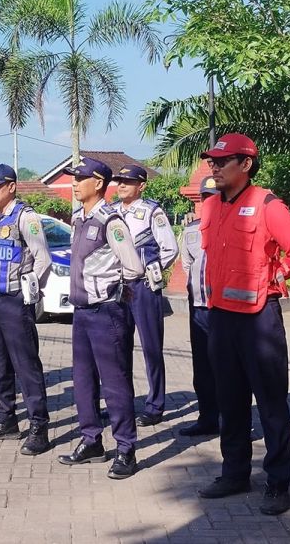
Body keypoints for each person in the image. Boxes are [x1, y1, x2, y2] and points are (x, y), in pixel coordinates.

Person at [196, 133, 290, 516]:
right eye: (212, 161)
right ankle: (235, 474)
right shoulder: (210, 206)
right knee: (230, 401)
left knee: (272, 404)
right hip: (221, 318)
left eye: (222, 161)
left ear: (245, 164)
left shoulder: (267, 204)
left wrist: (274, 275)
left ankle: (278, 483)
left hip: (259, 319)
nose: (214, 167)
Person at [57, 157, 145, 479]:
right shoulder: (79, 219)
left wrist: (112, 289)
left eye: (79, 178)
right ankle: (91, 440)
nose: (74, 183)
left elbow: (133, 267)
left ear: (97, 183)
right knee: (83, 380)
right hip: (81, 312)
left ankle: (126, 448)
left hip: (106, 312)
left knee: (115, 383)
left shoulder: (111, 221)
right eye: (73, 178)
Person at [0, 163, 53, 456]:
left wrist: (28, 293)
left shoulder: (25, 217)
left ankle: (38, 427)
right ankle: (5, 419)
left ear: (11, 187)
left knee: (26, 366)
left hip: (15, 301)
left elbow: (43, 259)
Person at [112, 164, 179, 427]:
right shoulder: (112, 212)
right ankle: (123, 402)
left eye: (127, 181)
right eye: (119, 181)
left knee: (151, 347)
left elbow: (170, 248)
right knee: (119, 347)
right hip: (118, 287)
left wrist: (152, 270)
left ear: (141, 186)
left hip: (143, 287)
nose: (121, 185)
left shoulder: (152, 211)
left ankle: (155, 406)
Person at [176, 176, 219, 437]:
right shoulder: (191, 230)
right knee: (202, 367)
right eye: (205, 197)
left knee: (229, 367)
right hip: (199, 306)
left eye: (214, 197)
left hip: (225, 309)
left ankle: (235, 421)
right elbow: (187, 264)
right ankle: (207, 419)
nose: (209, 201)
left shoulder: (232, 225)